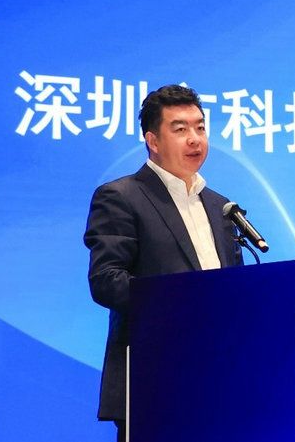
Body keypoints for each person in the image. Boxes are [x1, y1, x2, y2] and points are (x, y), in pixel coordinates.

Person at [84, 84, 243, 442]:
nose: (195, 139)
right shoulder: (121, 197)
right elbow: (107, 280)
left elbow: (236, 292)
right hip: (153, 381)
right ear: (153, 140)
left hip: (218, 383)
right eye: (180, 129)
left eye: (200, 127)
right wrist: (185, 303)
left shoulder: (220, 207)